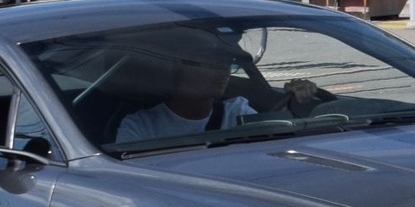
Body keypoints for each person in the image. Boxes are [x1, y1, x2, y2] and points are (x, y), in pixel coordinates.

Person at [111, 29, 324, 147]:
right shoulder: (141, 127)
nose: (223, 72)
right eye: (213, 64)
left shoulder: (238, 113)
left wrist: (294, 103)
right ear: (182, 65)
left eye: (227, 64)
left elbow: (271, 138)